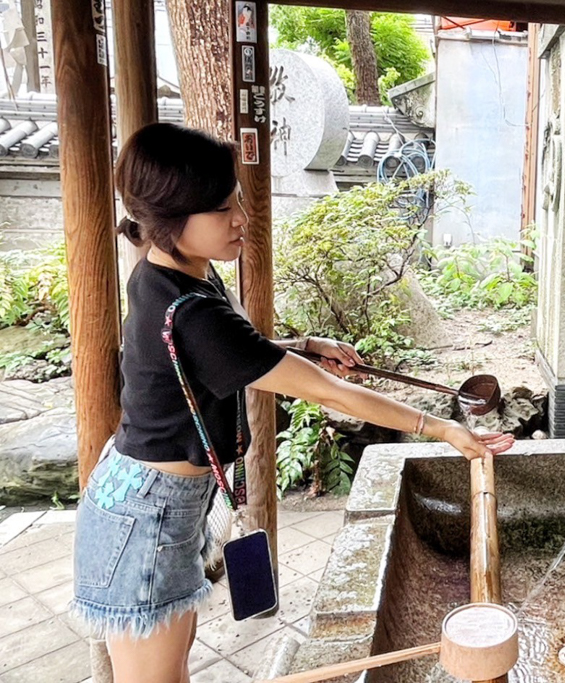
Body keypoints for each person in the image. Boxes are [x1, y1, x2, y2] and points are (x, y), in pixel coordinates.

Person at [69, 122, 515, 683]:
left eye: (236, 201)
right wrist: (442, 429)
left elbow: (225, 353)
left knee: (172, 668)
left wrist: (305, 346)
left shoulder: (171, 273)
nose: (241, 218)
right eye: (222, 209)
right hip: (145, 518)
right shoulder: (193, 312)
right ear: (170, 218)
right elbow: (331, 391)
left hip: (153, 498)